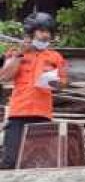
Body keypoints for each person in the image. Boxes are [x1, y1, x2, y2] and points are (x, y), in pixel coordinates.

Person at [0, 13, 67, 169]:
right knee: (10, 161)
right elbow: (4, 76)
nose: (46, 35)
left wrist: (53, 82)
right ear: (31, 33)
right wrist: (20, 54)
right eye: (42, 31)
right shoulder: (14, 52)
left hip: (42, 115)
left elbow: (63, 83)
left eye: (48, 32)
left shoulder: (57, 57)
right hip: (18, 114)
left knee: (40, 162)